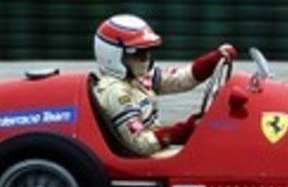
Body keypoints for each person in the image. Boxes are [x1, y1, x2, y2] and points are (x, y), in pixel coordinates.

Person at [92, 13, 237, 157]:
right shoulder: (116, 92)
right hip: (143, 159)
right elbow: (140, 144)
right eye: (139, 52)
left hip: (156, 148)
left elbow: (180, 79)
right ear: (114, 55)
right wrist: (186, 130)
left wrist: (215, 58)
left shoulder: (136, 78)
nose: (146, 58)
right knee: (212, 156)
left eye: (148, 51)